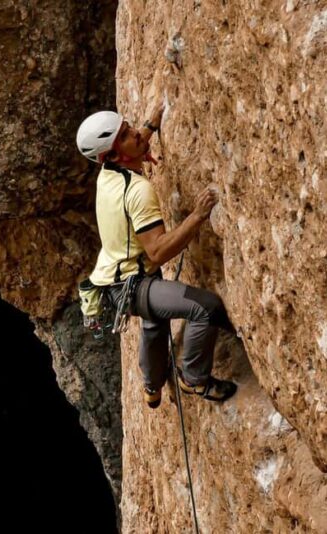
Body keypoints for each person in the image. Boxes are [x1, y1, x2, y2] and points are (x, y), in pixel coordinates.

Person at [76, 104, 238, 408]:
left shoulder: (108, 176)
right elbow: (159, 250)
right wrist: (197, 216)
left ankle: (152, 386)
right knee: (205, 307)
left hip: (114, 280)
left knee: (154, 323)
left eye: (130, 126)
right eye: (127, 134)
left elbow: (130, 145)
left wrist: (149, 126)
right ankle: (194, 379)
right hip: (133, 286)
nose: (136, 133)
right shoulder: (137, 191)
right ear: (111, 156)